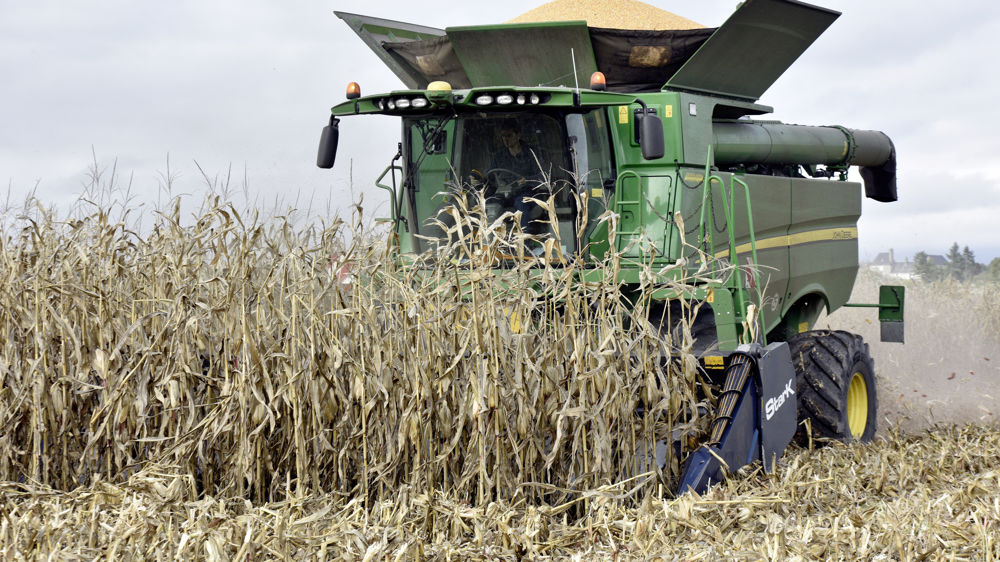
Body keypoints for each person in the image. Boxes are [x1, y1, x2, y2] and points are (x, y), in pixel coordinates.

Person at [489, 120, 545, 230]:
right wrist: (478, 179)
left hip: (527, 193)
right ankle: (490, 242)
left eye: (509, 135)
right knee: (488, 203)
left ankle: (523, 243)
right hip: (505, 193)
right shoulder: (499, 156)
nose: (506, 139)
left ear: (518, 135)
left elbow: (542, 177)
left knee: (520, 203)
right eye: (503, 136)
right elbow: (490, 175)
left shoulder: (532, 153)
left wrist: (527, 180)